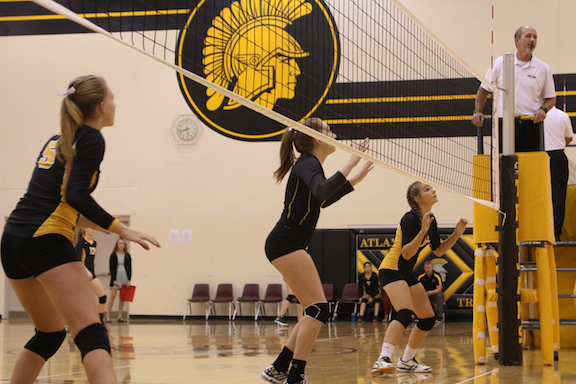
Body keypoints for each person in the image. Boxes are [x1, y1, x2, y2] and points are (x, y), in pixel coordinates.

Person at [0, 75, 160, 384]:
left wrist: (108, 226)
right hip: (44, 239)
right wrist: (120, 228)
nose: (115, 105)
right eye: (112, 99)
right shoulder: (91, 138)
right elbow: (75, 195)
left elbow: (62, 204)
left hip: (14, 240)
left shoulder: (59, 137)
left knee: (49, 334)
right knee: (92, 331)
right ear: (101, 106)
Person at [261, 117, 373, 384]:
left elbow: (322, 199)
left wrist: (355, 177)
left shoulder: (309, 165)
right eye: (329, 130)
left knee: (313, 309)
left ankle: (279, 369)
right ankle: (296, 376)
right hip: (286, 241)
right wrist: (351, 161)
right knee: (319, 308)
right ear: (317, 138)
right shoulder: (308, 163)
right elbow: (322, 191)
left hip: (288, 242)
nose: (334, 133)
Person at [371, 181, 467, 374]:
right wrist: (422, 232)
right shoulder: (410, 220)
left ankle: (407, 360)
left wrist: (456, 234)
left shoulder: (430, 219)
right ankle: (383, 358)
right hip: (391, 269)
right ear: (417, 199)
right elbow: (406, 254)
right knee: (405, 312)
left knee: (427, 318)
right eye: (427, 189)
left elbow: (438, 250)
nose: (433, 190)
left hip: (406, 272)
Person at [472, 25, 556, 152]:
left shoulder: (543, 68)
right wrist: (477, 111)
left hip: (531, 125)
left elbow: (551, 98)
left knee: (530, 169)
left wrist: (543, 110)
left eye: (535, 37)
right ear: (517, 41)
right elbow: (483, 90)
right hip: (504, 124)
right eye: (528, 36)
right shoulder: (500, 63)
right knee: (504, 167)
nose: (532, 40)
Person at [544, 106, 574, 240]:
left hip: (540, 157)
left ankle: (541, 231)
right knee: (559, 195)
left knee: (541, 195)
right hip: (558, 156)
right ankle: (555, 233)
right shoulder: (562, 115)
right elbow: (568, 138)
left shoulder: (533, 115)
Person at [75, 228, 108, 323]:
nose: (93, 229)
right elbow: (78, 260)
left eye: (94, 228)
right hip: (81, 275)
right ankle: (74, 323)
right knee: (82, 301)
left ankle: (100, 321)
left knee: (102, 297)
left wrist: (91, 272)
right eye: (90, 227)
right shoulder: (81, 242)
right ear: (85, 228)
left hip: (91, 274)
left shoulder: (94, 243)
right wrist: (86, 271)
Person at [105, 237, 132, 323]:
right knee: (112, 296)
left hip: (124, 276)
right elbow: (111, 268)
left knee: (122, 298)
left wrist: (129, 280)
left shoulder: (127, 255)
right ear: (117, 245)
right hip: (116, 277)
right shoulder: (113, 255)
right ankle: (107, 316)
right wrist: (114, 279)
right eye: (120, 243)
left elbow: (130, 268)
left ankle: (120, 316)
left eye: (123, 243)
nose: (121, 245)